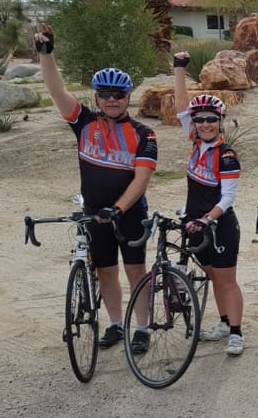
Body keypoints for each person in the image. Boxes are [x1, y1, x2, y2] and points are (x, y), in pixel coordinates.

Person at [34, 24, 157, 354]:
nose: (112, 100)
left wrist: (118, 208)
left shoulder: (144, 134)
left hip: (129, 213)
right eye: (105, 95)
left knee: (135, 270)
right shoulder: (84, 123)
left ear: (129, 97)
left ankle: (142, 328)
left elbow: (141, 179)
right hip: (94, 213)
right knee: (105, 271)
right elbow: (57, 92)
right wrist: (46, 55)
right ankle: (116, 324)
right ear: (96, 97)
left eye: (118, 95)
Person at [172, 52, 246, 356]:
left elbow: (227, 197)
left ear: (220, 122)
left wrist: (206, 219)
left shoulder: (226, 155)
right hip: (194, 222)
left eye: (210, 120)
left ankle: (237, 333)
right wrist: (179, 70)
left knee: (227, 280)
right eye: (199, 119)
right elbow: (180, 110)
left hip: (219, 225)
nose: (204, 124)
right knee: (214, 276)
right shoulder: (194, 141)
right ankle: (224, 323)